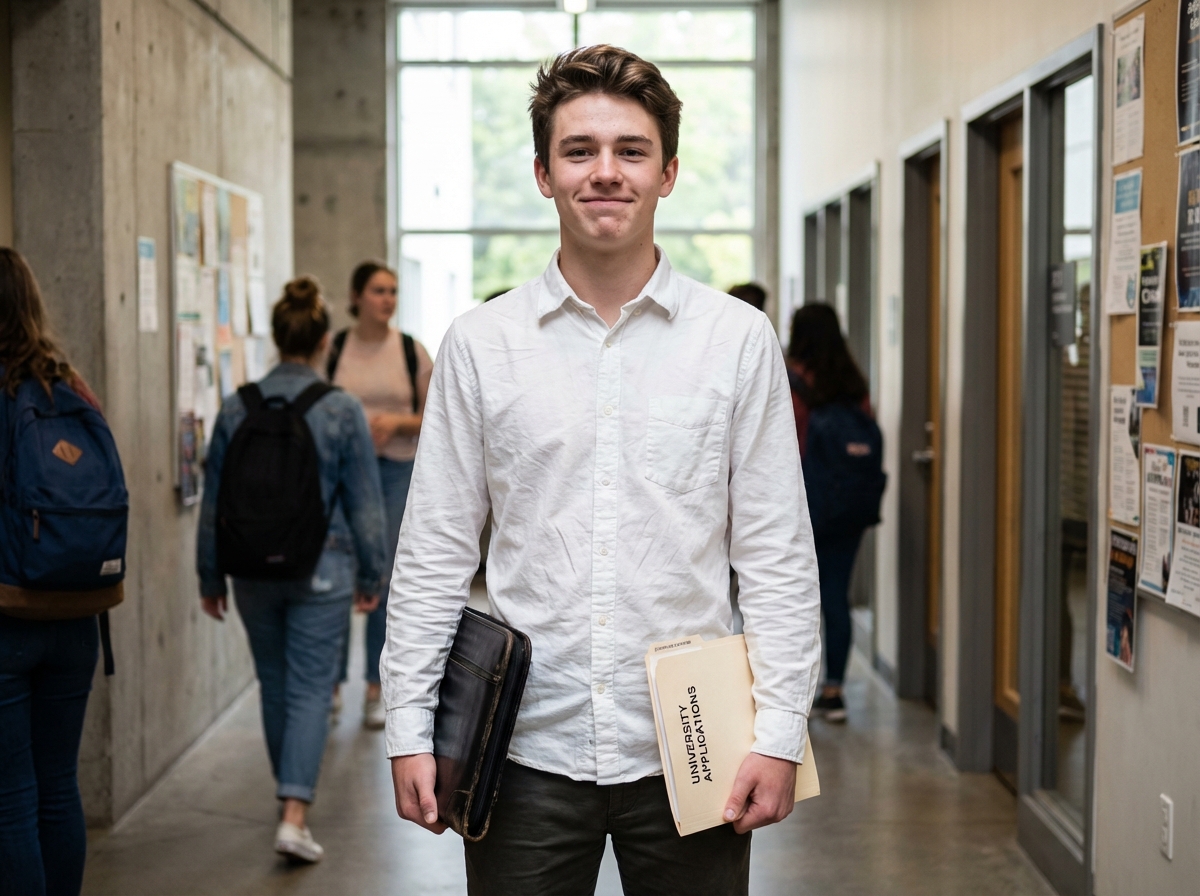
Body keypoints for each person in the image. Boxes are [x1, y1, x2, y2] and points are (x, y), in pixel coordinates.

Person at [382, 45, 821, 896]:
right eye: (579, 151)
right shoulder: (481, 346)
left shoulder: (736, 342)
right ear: (544, 173)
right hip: (524, 753)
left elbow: (774, 553)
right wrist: (408, 725)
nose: (605, 173)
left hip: (698, 752)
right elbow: (433, 550)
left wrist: (779, 731)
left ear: (669, 171)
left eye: (631, 150)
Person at [196, 277, 386, 864]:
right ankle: (294, 814)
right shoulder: (339, 409)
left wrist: (210, 576)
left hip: (251, 571)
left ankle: (290, 802)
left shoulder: (236, 406)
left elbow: (214, 501)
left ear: (276, 339)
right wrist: (372, 576)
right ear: (325, 341)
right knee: (309, 687)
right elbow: (365, 504)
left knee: (275, 685)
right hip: (322, 568)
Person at [0, 249, 119, 896]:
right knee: (56, 786)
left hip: (7, 615)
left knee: (11, 799)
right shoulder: (70, 385)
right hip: (77, 614)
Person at [327, 261, 432, 730]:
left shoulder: (410, 351)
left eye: (392, 291)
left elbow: (440, 415)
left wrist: (396, 423)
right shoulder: (333, 350)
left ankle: (374, 686)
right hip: (339, 477)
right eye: (377, 290)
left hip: (395, 472)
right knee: (334, 577)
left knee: (383, 579)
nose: (387, 299)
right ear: (356, 296)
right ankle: (329, 687)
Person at [786, 303, 875, 724]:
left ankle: (789, 697)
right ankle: (834, 690)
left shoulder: (793, 378)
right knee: (835, 597)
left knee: (791, 600)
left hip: (801, 505)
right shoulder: (854, 381)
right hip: (848, 509)